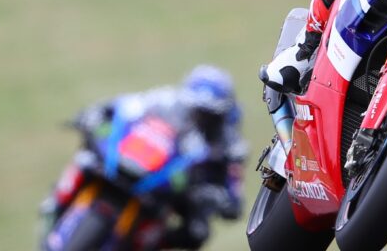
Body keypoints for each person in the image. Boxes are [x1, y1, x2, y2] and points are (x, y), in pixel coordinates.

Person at [40, 65, 246, 250]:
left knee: (196, 232)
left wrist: (216, 197)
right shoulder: (165, 102)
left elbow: (234, 199)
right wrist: (96, 114)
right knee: (87, 157)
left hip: (178, 193)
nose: (201, 118)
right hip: (140, 169)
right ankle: (56, 205)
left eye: (208, 115)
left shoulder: (229, 144)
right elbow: (127, 106)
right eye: (197, 111)